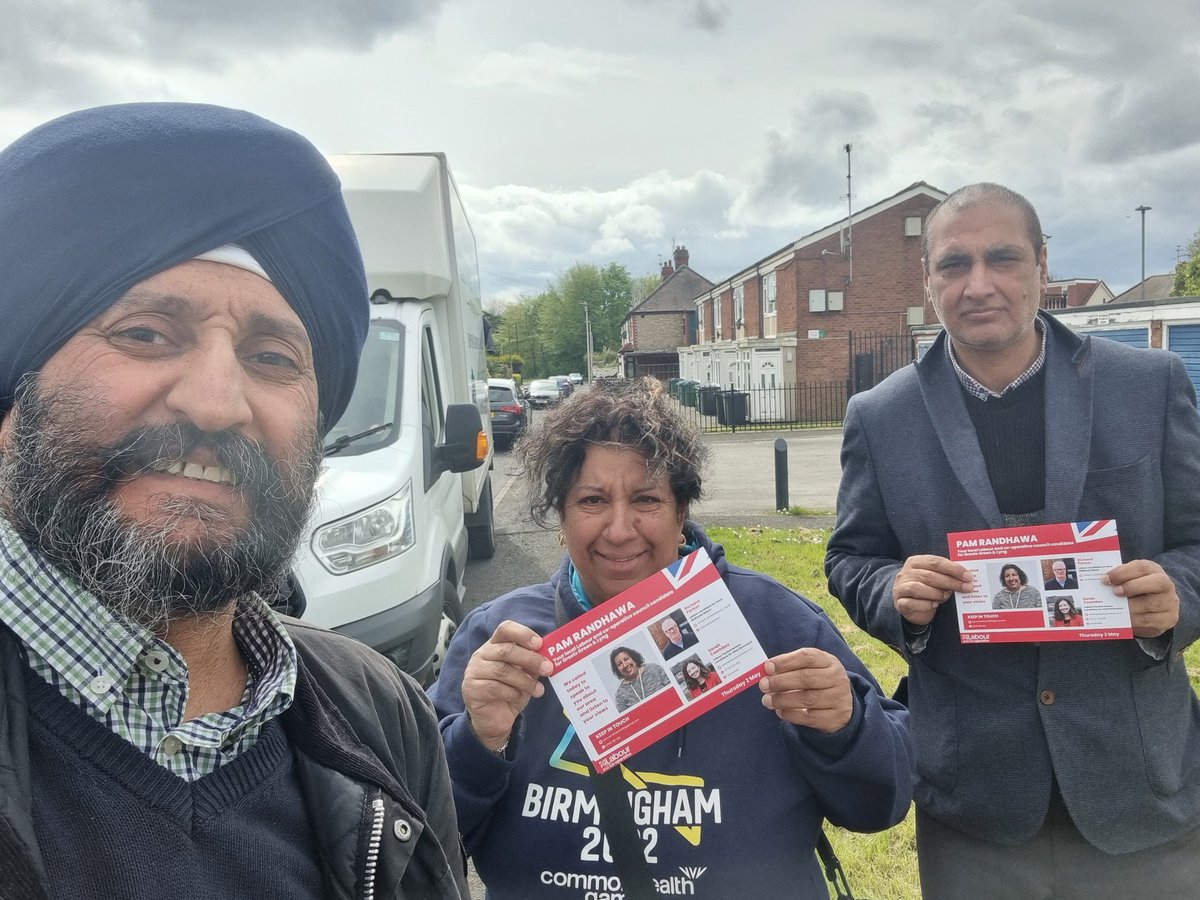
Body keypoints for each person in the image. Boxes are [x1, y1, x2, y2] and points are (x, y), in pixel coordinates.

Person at [0, 103, 466, 899]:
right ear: (13, 394)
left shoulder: (379, 709)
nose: (218, 403)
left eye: (272, 355)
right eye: (146, 333)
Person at [826, 182, 1200, 898]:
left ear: (1042, 267)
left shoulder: (1148, 385)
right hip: (978, 801)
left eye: (1003, 258)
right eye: (954, 264)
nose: (979, 284)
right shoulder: (881, 416)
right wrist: (890, 591)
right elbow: (849, 558)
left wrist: (1176, 598)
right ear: (927, 278)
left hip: (1142, 788)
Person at [430, 378, 912, 899]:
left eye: (646, 499)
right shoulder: (501, 642)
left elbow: (880, 804)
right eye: (592, 500)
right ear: (561, 518)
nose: (619, 529)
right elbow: (426, 838)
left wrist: (844, 729)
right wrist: (478, 741)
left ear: (682, 514)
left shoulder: (775, 625)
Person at [609, 646, 671, 711]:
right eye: (619, 664)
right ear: (617, 669)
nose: (625, 665)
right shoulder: (620, 695)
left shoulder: (654, 669)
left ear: (633, 658)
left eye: (626, 659)